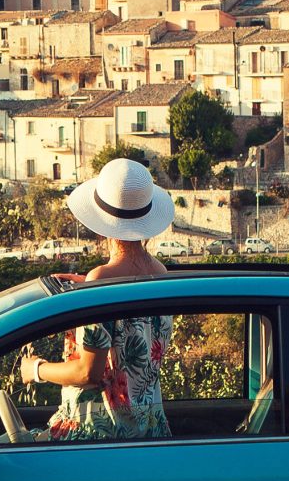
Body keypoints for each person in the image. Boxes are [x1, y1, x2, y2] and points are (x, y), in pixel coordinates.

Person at [18, 157, 175, 440]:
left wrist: (35, 369)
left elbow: (87, 372)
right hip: (149, 430)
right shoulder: (160, 272)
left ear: (103, 223)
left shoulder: (101, 279)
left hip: (102, 436)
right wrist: (90, 286)